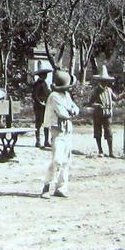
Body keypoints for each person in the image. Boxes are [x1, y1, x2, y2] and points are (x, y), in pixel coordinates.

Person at [41, 70, 79, 199]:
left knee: (66, 160)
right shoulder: (54, 96)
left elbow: (76, 108)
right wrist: (71, 111)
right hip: (57, 130)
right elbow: (62, 113)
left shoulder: (66, 95)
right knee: (57, 159)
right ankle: (46, 186)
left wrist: (73, 110)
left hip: (67, 129)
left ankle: (61, 187)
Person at [89, 65, 123, 158]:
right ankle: (100, 151)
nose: (104, 83)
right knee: (98, 132)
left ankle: (111, 152)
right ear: (99, 81)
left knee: (109, 132)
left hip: (107, 115)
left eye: (105, 81)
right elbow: (90, 103)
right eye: (102, 81)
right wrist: (97, 105)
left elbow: (115, 98)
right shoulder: (95, 91)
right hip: (98, 115)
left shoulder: (109, 90)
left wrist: (123, 95)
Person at [31, 66, 51, 149]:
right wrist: (40, 102)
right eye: (44, 75)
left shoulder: (45, 83)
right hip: (39, 107)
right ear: (40, 76)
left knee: (46, 124)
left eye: (45, 75)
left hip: (45, 106)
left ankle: (46, 141)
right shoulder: (37, 84)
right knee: (38, 124)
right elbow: (34, 95)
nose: (45, 76)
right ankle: (38, 141)